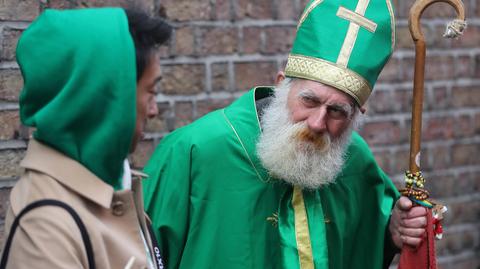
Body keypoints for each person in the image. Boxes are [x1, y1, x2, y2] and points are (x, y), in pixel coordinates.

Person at [143, 0, 427, 268]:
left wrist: (393, 230)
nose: (317, 123)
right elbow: (140, 253)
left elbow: (368, 241)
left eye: (337, 112)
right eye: (309, 101)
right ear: (282, 84)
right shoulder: (194, 150)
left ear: (357, 114)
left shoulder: (356, 160)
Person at [1, 7, 171, 269]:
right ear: (105, 100)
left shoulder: (113, 181)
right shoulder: (45, 227)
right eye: (150, 91)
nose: (153, 109)